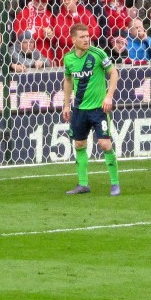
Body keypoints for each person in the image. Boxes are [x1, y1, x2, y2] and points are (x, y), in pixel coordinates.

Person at [59, 23, 120, 196]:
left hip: (99, 109)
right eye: (82, 37)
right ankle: (83, 184)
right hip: (79, 109)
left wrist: (109, 96)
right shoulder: (68, 59)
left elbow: (114, 73)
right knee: (79, 144)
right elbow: (68, 81)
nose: (86, 39)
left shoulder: (98, 54)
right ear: (73, 39)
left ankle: (115, 183)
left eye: (87, 36)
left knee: (105, 144)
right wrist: (66, 105)